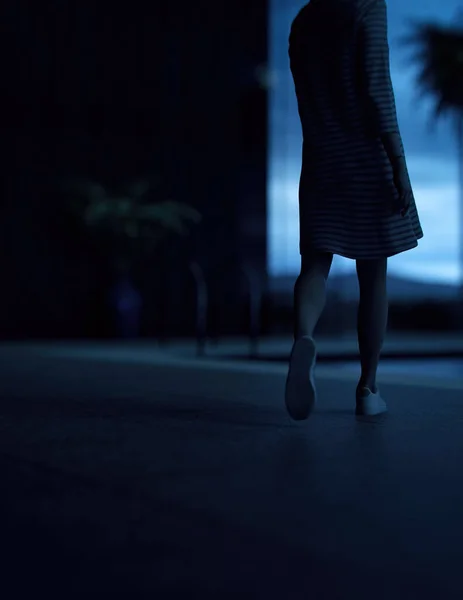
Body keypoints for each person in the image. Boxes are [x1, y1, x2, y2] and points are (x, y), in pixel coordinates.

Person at [284, 0, 423, 419]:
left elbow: (306, 98)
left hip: (322, 157)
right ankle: (368, 388)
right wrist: (398, 163)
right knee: (373, 273)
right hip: (365, 155)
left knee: (314, 265)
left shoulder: (304, 20)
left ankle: (303, 337)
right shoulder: (366, 6)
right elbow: (377, 89)